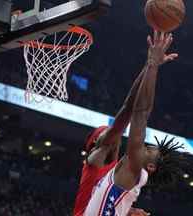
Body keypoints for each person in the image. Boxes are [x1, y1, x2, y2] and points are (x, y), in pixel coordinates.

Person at [83, 31, 186, 216]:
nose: (142, 146)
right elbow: (132, 109)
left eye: (146, 149)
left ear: (151, 166)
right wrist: (150, 65)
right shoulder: (117, 167)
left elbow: (140, 113)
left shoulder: (134, 167)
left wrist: (152, 65)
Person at [73, 31, 161, 216]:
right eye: (106, 135)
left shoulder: (118, 170)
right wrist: (151, 65)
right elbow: (129, 113)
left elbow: (129, 107)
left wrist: (149, 64)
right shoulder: (93, 161)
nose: (114, 136)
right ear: (96, 144)